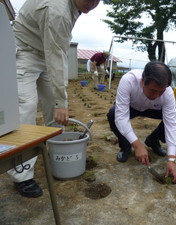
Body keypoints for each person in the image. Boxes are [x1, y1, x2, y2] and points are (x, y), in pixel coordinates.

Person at [9, 0, 101, 198]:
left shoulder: (76, 6)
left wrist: (58, 103)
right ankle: (22, 175)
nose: (92, 4)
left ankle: (56, 151)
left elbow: (54, 51)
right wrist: (62, 103)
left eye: (97, 0)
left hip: (44, 52)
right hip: (22, 52)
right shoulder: (57, 9)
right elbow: (57, 55)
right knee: (26, 108)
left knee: (52, 105)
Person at [107, 61, 176, 183]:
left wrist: (171, 159)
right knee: (113, 114)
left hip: (153, 109)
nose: (157, 95)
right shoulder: (128, 80)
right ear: (142, 81)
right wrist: (137, 145)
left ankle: (153, 140)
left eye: (161, 91)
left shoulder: (167, 92)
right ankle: (126, 146)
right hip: (131, 107)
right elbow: (121, 117)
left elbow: (170, 125)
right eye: (153, 90)